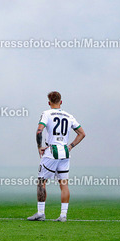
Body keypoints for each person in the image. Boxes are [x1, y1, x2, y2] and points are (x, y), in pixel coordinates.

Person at [27, 91, 86, 222]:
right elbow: (82, 133)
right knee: (64, 184)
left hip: (51, 151)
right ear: (61, 102)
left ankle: (40, 213)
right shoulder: (69, 116)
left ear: (49, 103)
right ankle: (63, 215)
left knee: (41, 181)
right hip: (65, 152)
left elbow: (39, 131)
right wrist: (71, 146)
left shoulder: (46, 114)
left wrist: (39, 147)